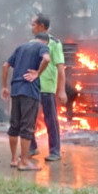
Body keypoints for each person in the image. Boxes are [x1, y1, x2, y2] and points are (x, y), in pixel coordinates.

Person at [1, 33, 50, 171]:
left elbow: (5, 66)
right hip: (29, 91)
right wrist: (37, 73)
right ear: (46, 42)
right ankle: (24, 162)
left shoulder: (21, 47)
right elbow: (46, 59)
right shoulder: (42, 46)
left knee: (14, 126)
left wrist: (4, 86)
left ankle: (14, 159)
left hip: (15, 90)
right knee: (27, 127)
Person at [29, 13, 67, 161]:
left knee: (51, 120)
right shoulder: (31, 43)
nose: (31, 27)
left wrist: (61, 90)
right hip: (33, 87)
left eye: (33, 24)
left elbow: (60, 68)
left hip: (47, 88)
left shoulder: (55, 43)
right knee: (29, 119)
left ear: (42, 26)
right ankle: (32, 148)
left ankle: (55, 151)